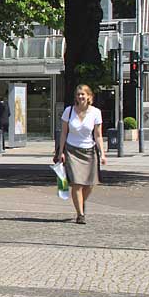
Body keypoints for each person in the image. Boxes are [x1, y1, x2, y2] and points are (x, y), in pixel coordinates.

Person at [54, 84, 106, 224]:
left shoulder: (95, 112)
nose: (80, 97)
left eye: (83, 94)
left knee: (89, 184)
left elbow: (98, 135)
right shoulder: (69, 111)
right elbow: (64, 132)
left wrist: (102, 153)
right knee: (77, 184)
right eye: (78, 94)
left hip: (89, 150)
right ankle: (80, 214)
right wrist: (60, 152)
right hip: (72, 150)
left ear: (89, 96)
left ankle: (81, 202)